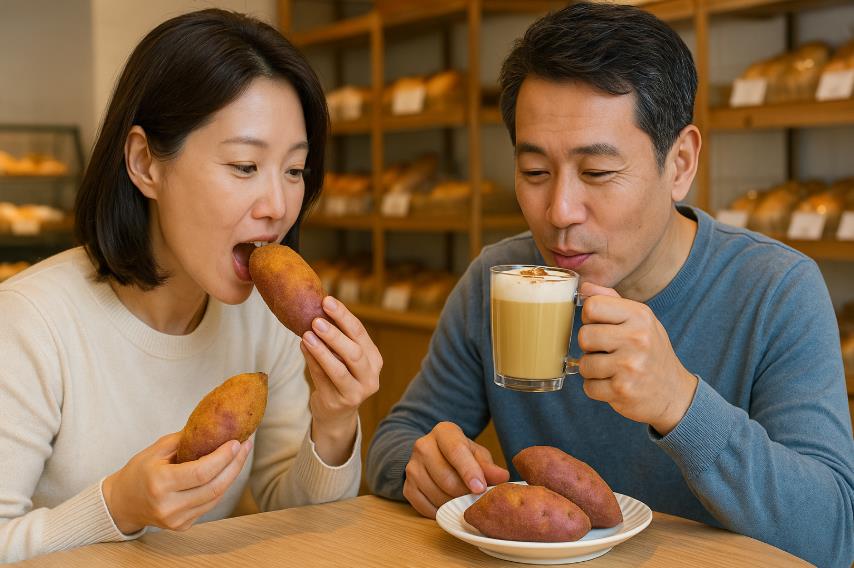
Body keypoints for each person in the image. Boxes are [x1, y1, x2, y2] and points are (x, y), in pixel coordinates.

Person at [366, 3, 854, 566]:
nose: (560, 210)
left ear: (681, 163)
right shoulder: (498, 282)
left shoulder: (775, 290)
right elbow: (397, 439)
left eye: (597, 173)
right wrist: (420, 464)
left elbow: (834, 532)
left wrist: (678, 402)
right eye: (534, 173)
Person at [0, 9, 381, 563]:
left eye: (294, 170)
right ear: (144, 162)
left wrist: (335, 420)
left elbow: (294, 517)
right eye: (245, 166)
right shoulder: (29, 324)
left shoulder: (261, 319)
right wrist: (118, 506)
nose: (277, 206)